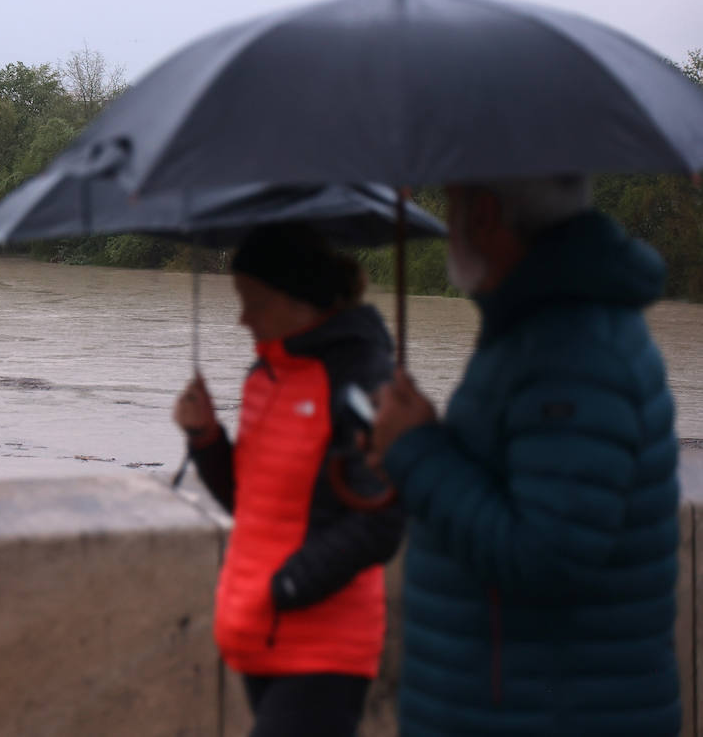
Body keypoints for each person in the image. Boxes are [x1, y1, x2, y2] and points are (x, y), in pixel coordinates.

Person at [372, 176, 680, 736]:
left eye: (455, 204)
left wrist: (415, 451)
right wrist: (424, 441)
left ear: (485, 214)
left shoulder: (571, 352)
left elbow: (549, 555)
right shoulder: (549, 331)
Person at [174, 223, 405, 737]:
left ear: (301, 298)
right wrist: (206, 439)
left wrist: (289, 585)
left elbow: (383, 518)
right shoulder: (266, 376)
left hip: (322, 648)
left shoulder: (362, 378)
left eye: (254, 301)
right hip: (259, 636)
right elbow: (249, 501)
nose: (242, 318)